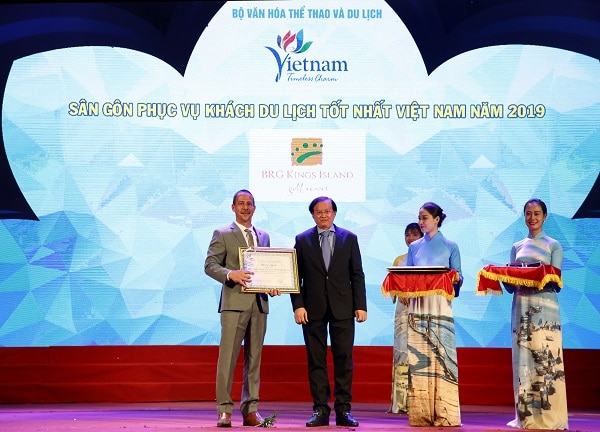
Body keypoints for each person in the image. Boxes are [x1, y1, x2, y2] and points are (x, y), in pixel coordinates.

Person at [204, 189, 281, 428]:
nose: (245, 207)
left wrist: (273, 285)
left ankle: (251, 410)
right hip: (234, 304)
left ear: (254, 208)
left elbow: (267, 269)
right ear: (233, 207)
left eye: (249, 204)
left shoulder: (264, 236)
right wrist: (231, 274)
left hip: (259, 304)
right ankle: (224, 410)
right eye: (241, 203)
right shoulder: (222, 233)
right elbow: (210, 265)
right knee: (228, 358)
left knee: (254, 359)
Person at [291, 196, 367, 428]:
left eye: (327, 211)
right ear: (312, 215)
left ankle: (344, 410)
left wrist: (360, 305)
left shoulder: (349, 238)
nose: (323, 215)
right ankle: (320, 409)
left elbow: (357, 274)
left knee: (344, 359)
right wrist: (298, 305)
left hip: (343, 307)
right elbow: (295, 277)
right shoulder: (302, 240)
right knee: (316, 360)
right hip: (311, 309)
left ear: (334, 213)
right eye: (318, 212)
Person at [503, 199, 568, 430]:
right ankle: (525, 416)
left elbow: (556, 282)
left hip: (545, 309)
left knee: (545, 359)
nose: (532, 218)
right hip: (521, 307)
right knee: (524, 359)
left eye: (537, 213)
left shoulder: (553, 245)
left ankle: (549, 416)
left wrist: (535, 274)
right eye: (528, 213)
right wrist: (506, 274)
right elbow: (510, 287)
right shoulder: (517, 246)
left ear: (545, 216)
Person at [405, 202, 462, 426]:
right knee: (420, 354)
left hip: (439, 303)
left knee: (442, 353)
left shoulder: (451, 246)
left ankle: (445, 412)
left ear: (437, 219)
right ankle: (421, 413)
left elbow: (459, 277)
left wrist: (453, 278)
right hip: (419, 303)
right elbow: (408, 277)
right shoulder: (414, 247)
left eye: (425, 217)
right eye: (419, 217)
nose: (421, 221)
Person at [387, 222, 423, 414]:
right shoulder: (399, 260)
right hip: (403, 311)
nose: (410, 238)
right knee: (402, 352)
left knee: (420, 354)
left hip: (421, 310)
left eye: (414, 234)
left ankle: (420, 402)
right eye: (407, 234)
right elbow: (391, 285)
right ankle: (400, 402)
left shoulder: (428, 260)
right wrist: (399, 292)